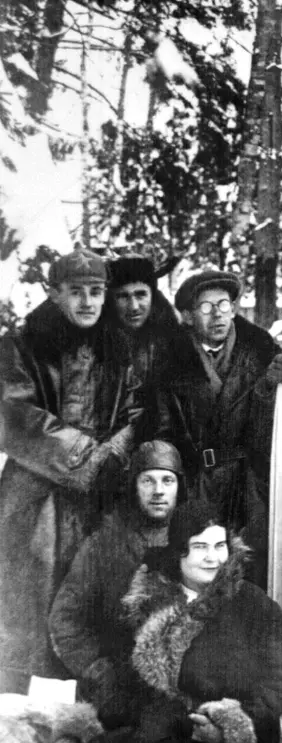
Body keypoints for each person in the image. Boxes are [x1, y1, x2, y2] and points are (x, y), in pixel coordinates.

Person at [84, 500, 282, 743]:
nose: (213, 558)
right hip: (165, 728)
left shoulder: (256, 606)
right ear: (179, 552)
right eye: (200, 547)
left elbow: (279, 684)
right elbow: (123, 679)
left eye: (219, 546)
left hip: (237, 741)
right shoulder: (147, 603)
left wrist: (229, 725)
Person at [0, 250, 141, 692]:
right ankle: (8, 714)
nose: (87, 302)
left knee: (97, 605)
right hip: (34, 492)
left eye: (96, 292)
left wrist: (115, 452)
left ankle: (96, 715)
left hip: (102, 492)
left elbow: (139, 410)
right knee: (20, 610)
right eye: (76, 291)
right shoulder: (20, 345)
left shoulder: (120, 347)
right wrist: (84, 456)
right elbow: (12, 414)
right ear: (53, 293)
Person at [149, 269, 282, 588]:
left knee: (250, 569)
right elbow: (163, 428)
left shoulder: (261, 353)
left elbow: (278, 427)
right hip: (196, 481)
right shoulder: (170, 360)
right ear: (188, 316)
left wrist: (267, 390)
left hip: (247, 484)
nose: (217, 314)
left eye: (224, 304)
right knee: (197, 568)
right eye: (206, 307)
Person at [49, 440, 183, 721]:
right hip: (119, 691)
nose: (158, 491)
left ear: (179, 487)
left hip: (182, 690)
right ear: (133, 486)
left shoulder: (199, 545)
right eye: (148, 480)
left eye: (167, 480)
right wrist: (97, 669)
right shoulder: (103, 545)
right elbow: (64, 619)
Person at [105, 255, 182, 389]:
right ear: (111, 300)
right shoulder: (98, 344)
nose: (134, 306)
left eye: (141, 295)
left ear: (153, 296)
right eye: (123, 296)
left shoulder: (175, 341)